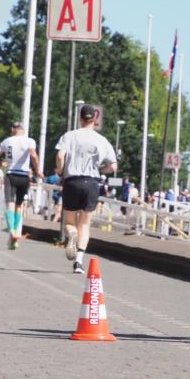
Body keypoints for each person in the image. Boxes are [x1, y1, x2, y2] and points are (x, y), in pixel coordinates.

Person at [55, 103, 118, 274]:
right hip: (91, 183)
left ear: (80, 118)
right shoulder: (101, 140)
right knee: (85, 223)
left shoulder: (69, 136)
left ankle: (72, 234)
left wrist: (61, 171)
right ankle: (79, 262)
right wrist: (100, 170)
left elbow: (60, 155)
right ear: (95, 119)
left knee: (69, 222)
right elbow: (113, 166)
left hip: (72, 181)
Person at [0, 122, 42, 250]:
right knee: (19, 206)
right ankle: (15, 236)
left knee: (10, 204)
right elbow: (34, 156)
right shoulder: (30, 141)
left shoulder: (6, 141)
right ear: (23, 130)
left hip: (10, 175)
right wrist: (38, 170)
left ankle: (12, 231)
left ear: (13, 130)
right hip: (24, 176)